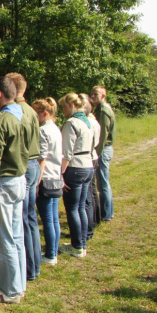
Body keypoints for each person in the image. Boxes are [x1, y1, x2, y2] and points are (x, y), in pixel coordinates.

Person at [0, 76, 28, 304]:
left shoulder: (2, 119)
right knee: (16, 236)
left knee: (4, 239)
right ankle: (18, 284)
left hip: (4, 182)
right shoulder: (24, 113)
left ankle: (10, 291)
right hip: (20, 179)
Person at [6, 72, 41, 282]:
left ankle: (26, 269)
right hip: (34, 163)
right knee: (30, 218)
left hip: (24, 165)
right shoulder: (31, 111)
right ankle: (33, 265)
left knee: (20, 219)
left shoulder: (17, 112)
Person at [58, 93, 94, 258]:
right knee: (81, 207)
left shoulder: (71, 124)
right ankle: (82, 243)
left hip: (75, 167)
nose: (62, 111)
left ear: (71, 105)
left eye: (64, 107)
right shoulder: (87, 122)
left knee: (72, 208)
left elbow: (66, 153)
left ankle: (77, 246)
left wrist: (60, 174)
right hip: (88, 165)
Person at [32, 98, 63, 266]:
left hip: (46, 178)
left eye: (36, 113)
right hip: (56, 176)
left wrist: (37, 181)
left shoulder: (42, 131)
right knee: (53, 218)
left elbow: (41, 158)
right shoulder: (56, 129)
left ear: (45, 113)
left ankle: (51, 254)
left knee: (48, 219)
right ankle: (53, 251)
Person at [91, 86, 117, 222]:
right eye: (92, 94)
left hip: (103, 149)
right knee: (103, 182)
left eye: (96, 94)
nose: (93, 96)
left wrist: (96, 153)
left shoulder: (102, 109)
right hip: (105, 148)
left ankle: (106, 214)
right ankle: (107, 212)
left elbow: (102, 134)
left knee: (103, 183)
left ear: (103, 96)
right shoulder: (101, 108)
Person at [81, 93, 101, 240]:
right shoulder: (92, 121)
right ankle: (94, 220)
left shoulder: (88, 122)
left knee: (88, 195)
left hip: (87, 158)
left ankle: (89, 226)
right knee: (92, 191)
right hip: (91, 157)